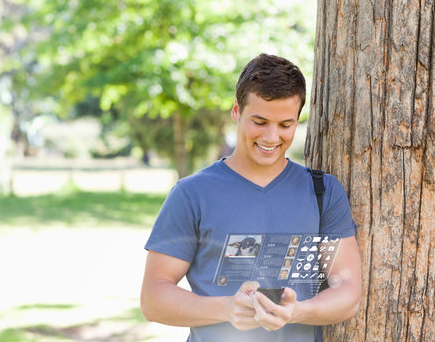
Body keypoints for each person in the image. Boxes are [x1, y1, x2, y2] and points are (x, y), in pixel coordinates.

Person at [140, 54, 362, 342]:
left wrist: (296, 312)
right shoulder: (192, 193)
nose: (271, 137)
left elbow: (347, 290)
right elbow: (153, 298)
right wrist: (227, 308)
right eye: (259, 121)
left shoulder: (323, 191)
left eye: (285, 125)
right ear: (236, 111)